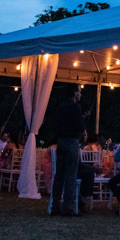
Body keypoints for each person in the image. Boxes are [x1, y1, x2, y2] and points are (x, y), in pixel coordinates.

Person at [50, 85, 86, 216]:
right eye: (79, 92)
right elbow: (81, 127)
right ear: (74, 93)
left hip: (60, 142)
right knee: (71, 175)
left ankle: (55, 206)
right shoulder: (75, 107)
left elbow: (55, 125)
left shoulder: (60, 107)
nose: (80, 95)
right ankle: (68, 208)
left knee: (59, 175)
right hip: (72, 142)